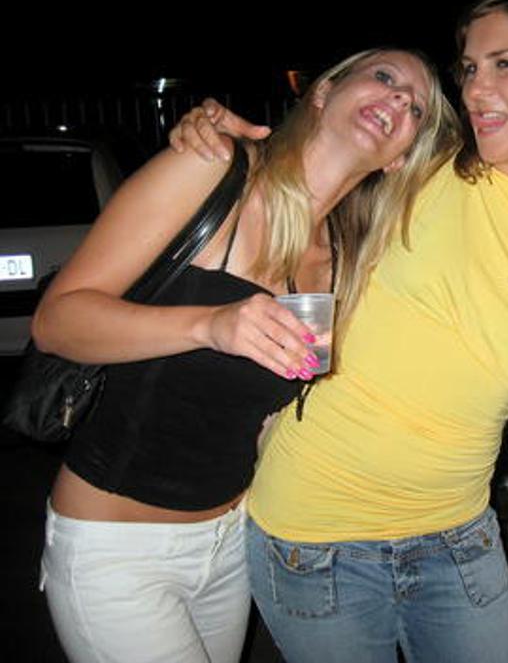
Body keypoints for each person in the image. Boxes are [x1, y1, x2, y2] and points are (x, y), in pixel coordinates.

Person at [168, 0, 508, 663]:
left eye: (504, 64)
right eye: (468, 68)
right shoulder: (431, 167)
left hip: (457, 534)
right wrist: (214, 135)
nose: (475, 89)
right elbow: (318, 153)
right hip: (313, 534)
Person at [31, 48, 456, 663]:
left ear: (399, 158)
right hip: (117, 548)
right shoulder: (212, 168)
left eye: (416, 108)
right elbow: (56, 321)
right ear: (322, 93)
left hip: (231, 544)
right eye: (385, 78)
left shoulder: (343, 258)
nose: (397, 100)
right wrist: (211, 324)